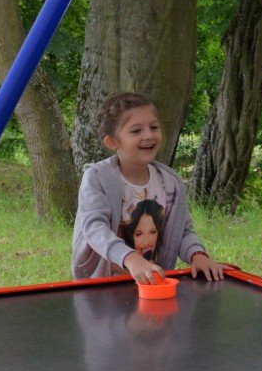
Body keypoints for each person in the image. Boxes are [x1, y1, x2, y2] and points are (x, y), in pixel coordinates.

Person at [71, 92, 225, 284]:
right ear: (112, 142)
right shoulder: (97, 178)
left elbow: (182, 231)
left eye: (154, 127)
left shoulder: (170, 182)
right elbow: (94, 228)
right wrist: (130, 258)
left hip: (152, 283)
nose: (149, 135)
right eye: (136, 131)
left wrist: (198, 255)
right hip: (102, 285)